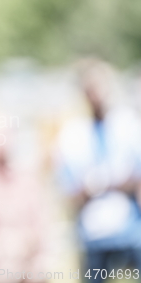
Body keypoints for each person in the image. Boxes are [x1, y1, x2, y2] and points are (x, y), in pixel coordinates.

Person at [56, 59, 141, 281]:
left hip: (130, 230)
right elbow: (69, 192)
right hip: (94, 233)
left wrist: (107, 181)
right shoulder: (73, 135)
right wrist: (94, 186)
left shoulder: (127, 127)